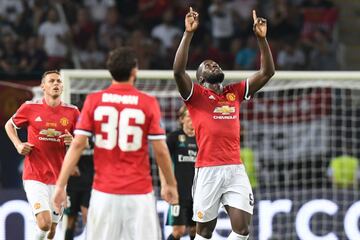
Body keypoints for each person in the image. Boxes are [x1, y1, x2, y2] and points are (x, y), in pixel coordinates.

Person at [52, 47, 179, 240]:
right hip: (138, 193)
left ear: (110, 71)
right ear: (135, 71)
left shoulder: (94, 101)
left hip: (104, 192)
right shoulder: (147, 102)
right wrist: (170, 184)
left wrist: (60, 186)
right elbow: (160, 150)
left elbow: (77, 145)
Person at [173, 7, 275, 240]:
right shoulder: (195, 95)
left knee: (242, 230)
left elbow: (267, 72)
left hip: (234, 168)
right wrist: (188, 34)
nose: (214, 65)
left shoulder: (234, 92)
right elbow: (178, 71)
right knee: (205, 232)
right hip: (208, 169)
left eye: (215, 64)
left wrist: (262, 39)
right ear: (200, 78)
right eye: (208, 65)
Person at [4, 70, 80, 240]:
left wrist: (73, 140)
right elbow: (9, 125)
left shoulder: (73, 112)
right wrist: (18, 144)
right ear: (43, 86)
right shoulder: (30, 107)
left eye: (59, 81)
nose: (56, 84)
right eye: (51, 81)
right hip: (34, 176)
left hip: (59, 179)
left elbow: (85, 142)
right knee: (44, 223)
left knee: (51, 230)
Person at [165, 105, 197, 240]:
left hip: (198, 193)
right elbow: (163, 164)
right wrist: (166, 185)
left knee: (197, 232)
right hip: (178, 193)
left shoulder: (203, 139)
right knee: (178, 231)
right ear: (182, 119)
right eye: (189, 116)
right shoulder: (174, 138)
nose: (192, 120)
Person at [64, 139, 94, 240]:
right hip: (73, 182)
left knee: (88, 215)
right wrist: (70, 165)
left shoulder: (97, 130)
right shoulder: (71, 128)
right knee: (71, 219)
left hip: (91, 181)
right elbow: (62, 148)